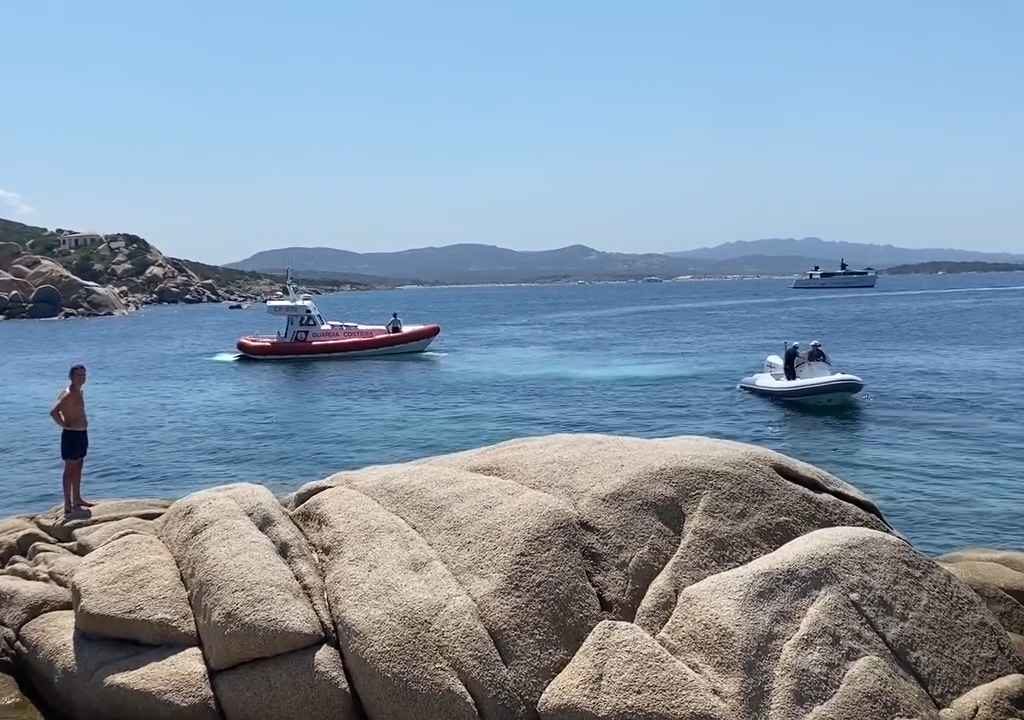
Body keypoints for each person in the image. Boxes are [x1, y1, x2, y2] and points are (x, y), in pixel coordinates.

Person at [50, 364, 93, 515]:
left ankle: (77, 498)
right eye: (79, 375)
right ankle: (67, 503)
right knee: (69, 470)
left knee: (79, 465)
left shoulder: (78, 391)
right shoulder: (69, 394)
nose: (82, 378)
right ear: (71, 377)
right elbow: (54, 412)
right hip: (72, 435)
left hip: (81, 433)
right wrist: (65, 426)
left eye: (84, 375)